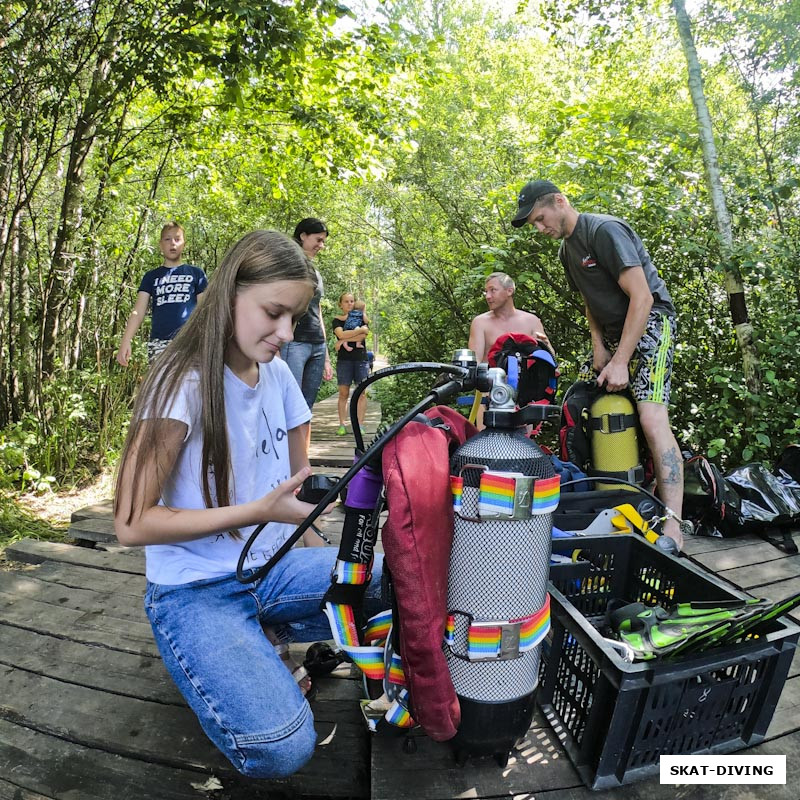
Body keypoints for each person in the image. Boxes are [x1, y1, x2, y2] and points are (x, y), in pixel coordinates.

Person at [113, 230, 383, 779]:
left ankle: (260, 637)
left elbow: (291, 485)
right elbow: (130, 523)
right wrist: (257, 512)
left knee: (400, 575)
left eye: (295, 318)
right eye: (274, 313)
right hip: (194, 591)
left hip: (272, 568)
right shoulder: (181, 381)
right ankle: (214, 653)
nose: (286, 333)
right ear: (230, 293)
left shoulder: (277, 372)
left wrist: (318, 546)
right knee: (281, 747)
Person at [512, 179, 684, 549]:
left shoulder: (604, 231)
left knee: (652, 416)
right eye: (535, 225)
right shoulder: (566, 252)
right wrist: (600, 349)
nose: (541, 229)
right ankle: (636, 500)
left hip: (652, 321)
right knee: (608, 411)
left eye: (541, 219)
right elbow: (591, 300)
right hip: (613, 332)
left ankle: (674, 525)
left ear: (560, 202)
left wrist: (622, 360)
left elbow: (642, 297)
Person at [468, 272, 554, 429]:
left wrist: (546, 345)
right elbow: (474, 366)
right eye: (486, 292)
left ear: (509, 291)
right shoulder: (480, 323)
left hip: (525, 399)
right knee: (486, 450)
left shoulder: (531, 321)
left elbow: (548, 363)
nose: (487, 296)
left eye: (492, 290)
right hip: (491, 397)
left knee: (524, 450)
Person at [116, 221, 208, 365]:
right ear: (160, 244)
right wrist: (125, 341)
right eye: (167, 239)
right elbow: (138, 312)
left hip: (190, 342)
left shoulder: (196, 274)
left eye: (177, 239)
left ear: (184, 244)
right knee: (162, 387)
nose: (173, 243)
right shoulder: (151, 276)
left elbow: (205, 310)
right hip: (159, 344)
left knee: (192, 386)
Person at [279, 218, 333, 417]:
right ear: (303, 236)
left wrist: (326, 355)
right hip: (294, 344)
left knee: (306, 409)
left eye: (323, 241)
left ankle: (302, 449)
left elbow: (316, 310)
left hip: (317, 344)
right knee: (289, 406)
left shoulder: (315, 273)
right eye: (318, 240)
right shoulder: (286, 267)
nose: (321, 246)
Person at [332, 292, 369, 436]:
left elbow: (363, 335)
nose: (349, 304)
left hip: (361, 360)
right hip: (344, 361)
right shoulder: (337, 320)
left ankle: (360, 425)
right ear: (340, 304)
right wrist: (356, 333)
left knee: (362, 394)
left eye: (352, 301)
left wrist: (342, 341)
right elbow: (340, 334)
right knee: (343, 393)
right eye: (346, 301)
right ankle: (342, 425)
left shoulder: (361, 317)